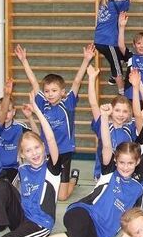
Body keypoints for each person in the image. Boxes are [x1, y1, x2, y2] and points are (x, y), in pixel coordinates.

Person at [14, 43, 96, 201]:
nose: (50, 94)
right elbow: (34, 83)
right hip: (47, 152)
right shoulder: (43, 104)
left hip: (64, 152)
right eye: (47, 91)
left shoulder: (68, 104)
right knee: (46, 189)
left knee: (62, 197)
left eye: (54, 91)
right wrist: (24, 60)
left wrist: (86, 60)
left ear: (62, 92)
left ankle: (73, 178)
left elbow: (77, 81)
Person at [0, 92, 62, 237]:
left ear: (44, 147)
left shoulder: (51, 169)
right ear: (22, 155)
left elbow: (50, 138)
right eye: (28, 150)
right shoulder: (22, 169)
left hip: (39, 223)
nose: (34, 153)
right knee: (2, 185)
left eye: (37, 148)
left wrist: (36, 111)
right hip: (21, 217)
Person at [87, 65, 136, 181]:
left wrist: (136, 86)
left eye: (125, 111)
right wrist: (91, 78)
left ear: (129, 113)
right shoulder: (103, 124)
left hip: (125, 172)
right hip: (103, 173)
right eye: (117, 110)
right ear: (111, 110)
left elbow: (141, 112)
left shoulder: (131, 126)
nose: (121, 114)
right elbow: (93, 104)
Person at [94, 0, 137, 94]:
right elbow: (127, 2)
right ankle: (121, 92)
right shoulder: (115, 4)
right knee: (117, 66)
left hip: (100, 41)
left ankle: (113, 77)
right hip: (108, 42)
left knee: (122, 56)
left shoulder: (103, 2)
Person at [0, 92, 38, 183]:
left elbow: (37, 138)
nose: (5, 114)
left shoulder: (19, 127)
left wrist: (30, 117)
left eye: (8, 111)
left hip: (13, 168)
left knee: (7, 187)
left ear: (14, 111)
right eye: (2, 110)